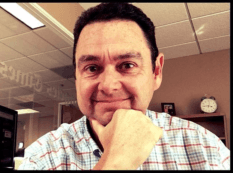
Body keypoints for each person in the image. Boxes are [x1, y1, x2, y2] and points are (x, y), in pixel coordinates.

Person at [18, 3, 230, 170]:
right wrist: (115, 163)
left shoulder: (205, 149)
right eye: (92, 68)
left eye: (127, 65)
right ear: (76, 78)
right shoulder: (42, 156)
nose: (108, 86)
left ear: (156, 72)